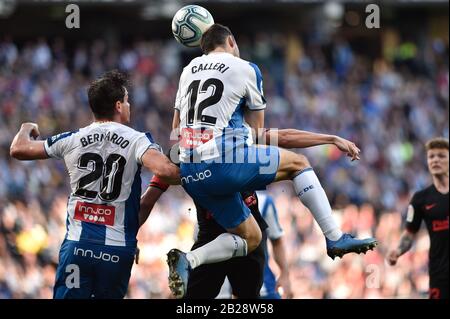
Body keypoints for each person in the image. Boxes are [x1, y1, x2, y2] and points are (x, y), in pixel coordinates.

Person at [167, 23, 377, 298]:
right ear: (231, 41)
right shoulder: (245, 68)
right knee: (299, 163)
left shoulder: (186, 71)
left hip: (191, 173)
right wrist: (329, 138)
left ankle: (188, 260)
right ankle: (335, 237)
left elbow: (175, 130)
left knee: (252, 238)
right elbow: (257, 133)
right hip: (225, 164)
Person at [9, 70, 180, 299]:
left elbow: (18, 149)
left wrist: (26, 128)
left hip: (77, 248)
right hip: (116, 251)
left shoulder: (71, 139)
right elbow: (168, 171)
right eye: (127, 101)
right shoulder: (137, 140)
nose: (129, 106)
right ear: (119, 106)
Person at [387, 138, 449, 299]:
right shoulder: (421, 199)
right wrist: (398, 250)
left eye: (441, 156)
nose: (435, 160)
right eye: (431, 156)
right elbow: (409, 234)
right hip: (440, 275)